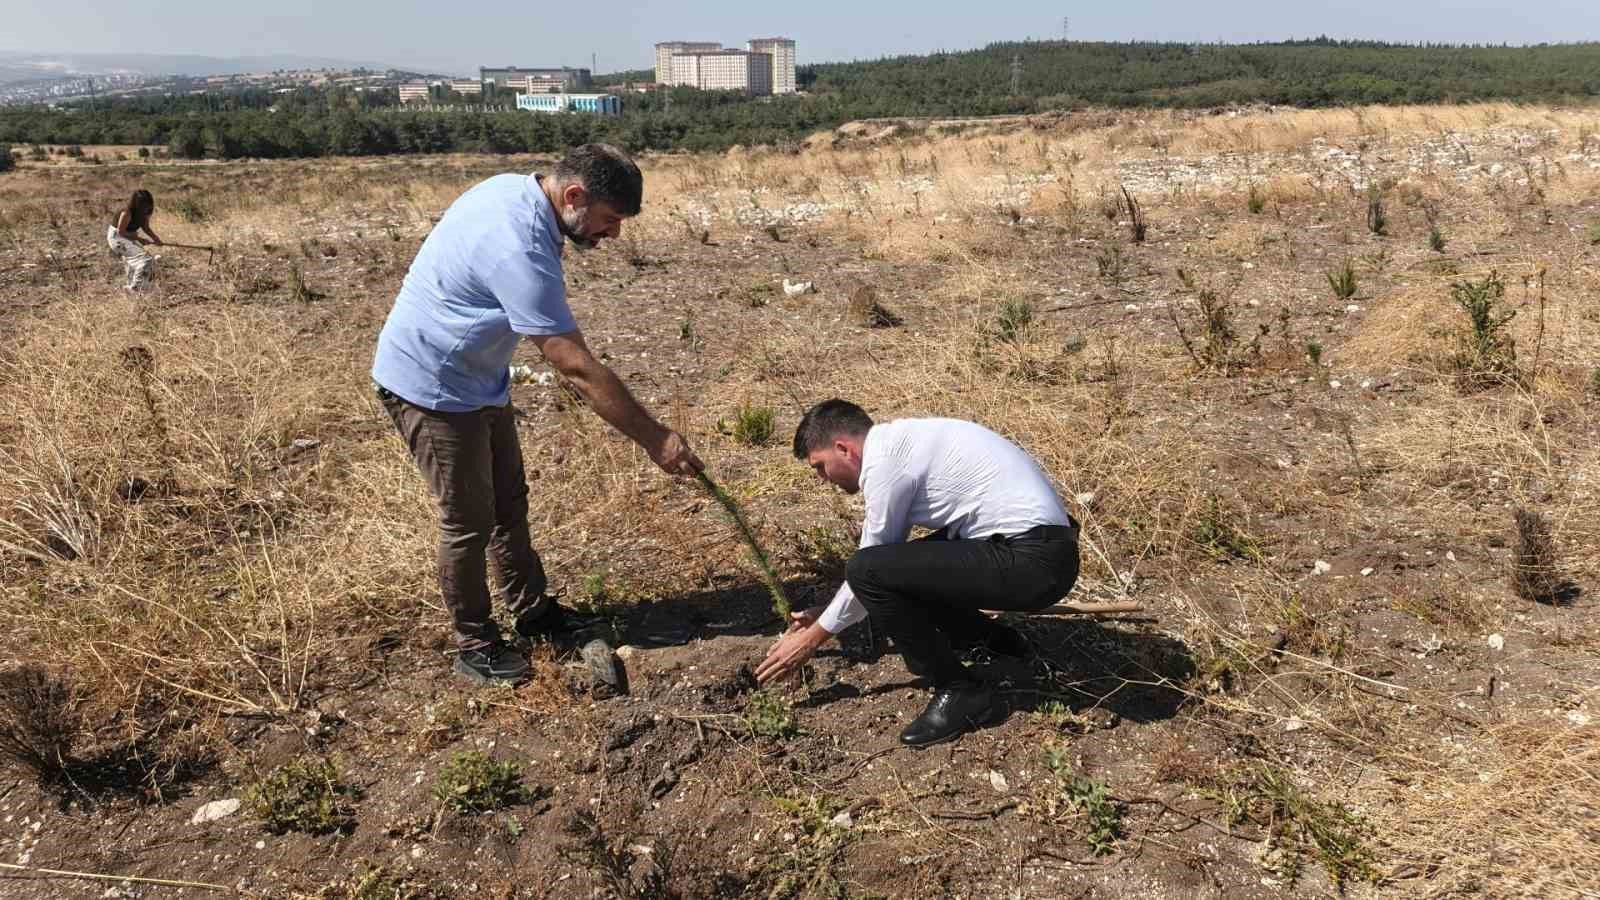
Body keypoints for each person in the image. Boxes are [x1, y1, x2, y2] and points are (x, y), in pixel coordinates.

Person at [371, 143, 703, 686]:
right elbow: (574, 365)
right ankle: (475, 643)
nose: (614, 233)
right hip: (431, 385)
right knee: (468, 521)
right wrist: (656, 438)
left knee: (508, 503)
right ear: (574, 196)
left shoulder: (516, 191)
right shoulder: (519, 245)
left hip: (477, 377)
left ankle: (533, 613)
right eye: (610, 218)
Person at [756, 400, 1081, 747]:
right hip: (1042, 552)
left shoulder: (886, 465)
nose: (823, 479)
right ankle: (996, 642)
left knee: (868, 569)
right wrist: (827, 613)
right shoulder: (902, 442)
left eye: (820, 467)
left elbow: (869, 569)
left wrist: (809, 640)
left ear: (843, 449)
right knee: (895, 567)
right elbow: (890, 570)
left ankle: (960, 689)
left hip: (1033, 562)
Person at [107, 189, 161, 291]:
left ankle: (131, 288)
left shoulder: (145, 212)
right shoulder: (126, 213)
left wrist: (156, 238)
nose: (146, 208)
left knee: (137, 261)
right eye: (143, 206)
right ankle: (135, 287)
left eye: (148, 205)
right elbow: (121, 232)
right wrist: (139, 239)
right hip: (117, 238)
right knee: (144, 259)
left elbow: (146, 227)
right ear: (136, 204)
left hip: (128, 237)